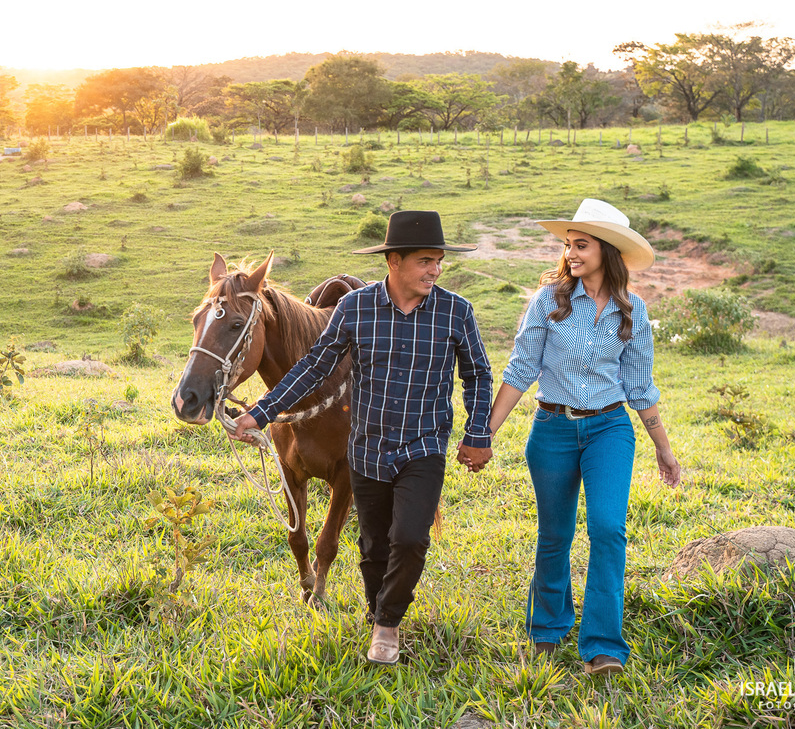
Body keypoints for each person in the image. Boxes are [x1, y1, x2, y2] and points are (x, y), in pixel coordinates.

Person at [229, 210, 493, 665]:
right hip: (368, 448)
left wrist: (477, 433)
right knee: (372, 545)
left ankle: (386, 624)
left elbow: (479, 375)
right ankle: (378, 614)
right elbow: (314, 366)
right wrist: (261, 411)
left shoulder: (456, 311)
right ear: (394, 260)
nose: (436, 269)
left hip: (424, 446)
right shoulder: (356, 308)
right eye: (426, 261)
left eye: (439, 261)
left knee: (410, 538)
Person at [484, 198, 681, 676]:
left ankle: (602, 646)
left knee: (608, 531)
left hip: (610, 429)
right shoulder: (548, 302)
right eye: (568, 245)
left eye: (582, 245)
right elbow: (521, 368)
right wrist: (483, 433)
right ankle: (547, 630)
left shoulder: (632, 311)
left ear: (607, 250)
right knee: (555, 535)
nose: (571, 253)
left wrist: (664, 449)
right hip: (552, 429)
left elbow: (639, 388)